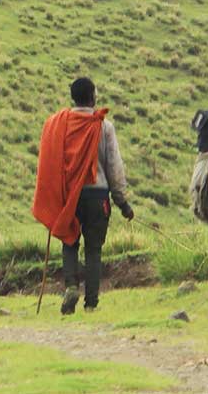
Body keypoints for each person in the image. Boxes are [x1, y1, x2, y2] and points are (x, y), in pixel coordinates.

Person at [31, 78, 134, 316]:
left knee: (69, 242)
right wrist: (122, 202)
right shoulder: (104, 126)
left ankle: (70, 286)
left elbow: (49, 162)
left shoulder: (59, 125)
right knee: (94, 249)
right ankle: (91, 304)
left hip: (68, 198)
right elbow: (114, 167)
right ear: (92, 97)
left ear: (73, 98)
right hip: (98, 197)